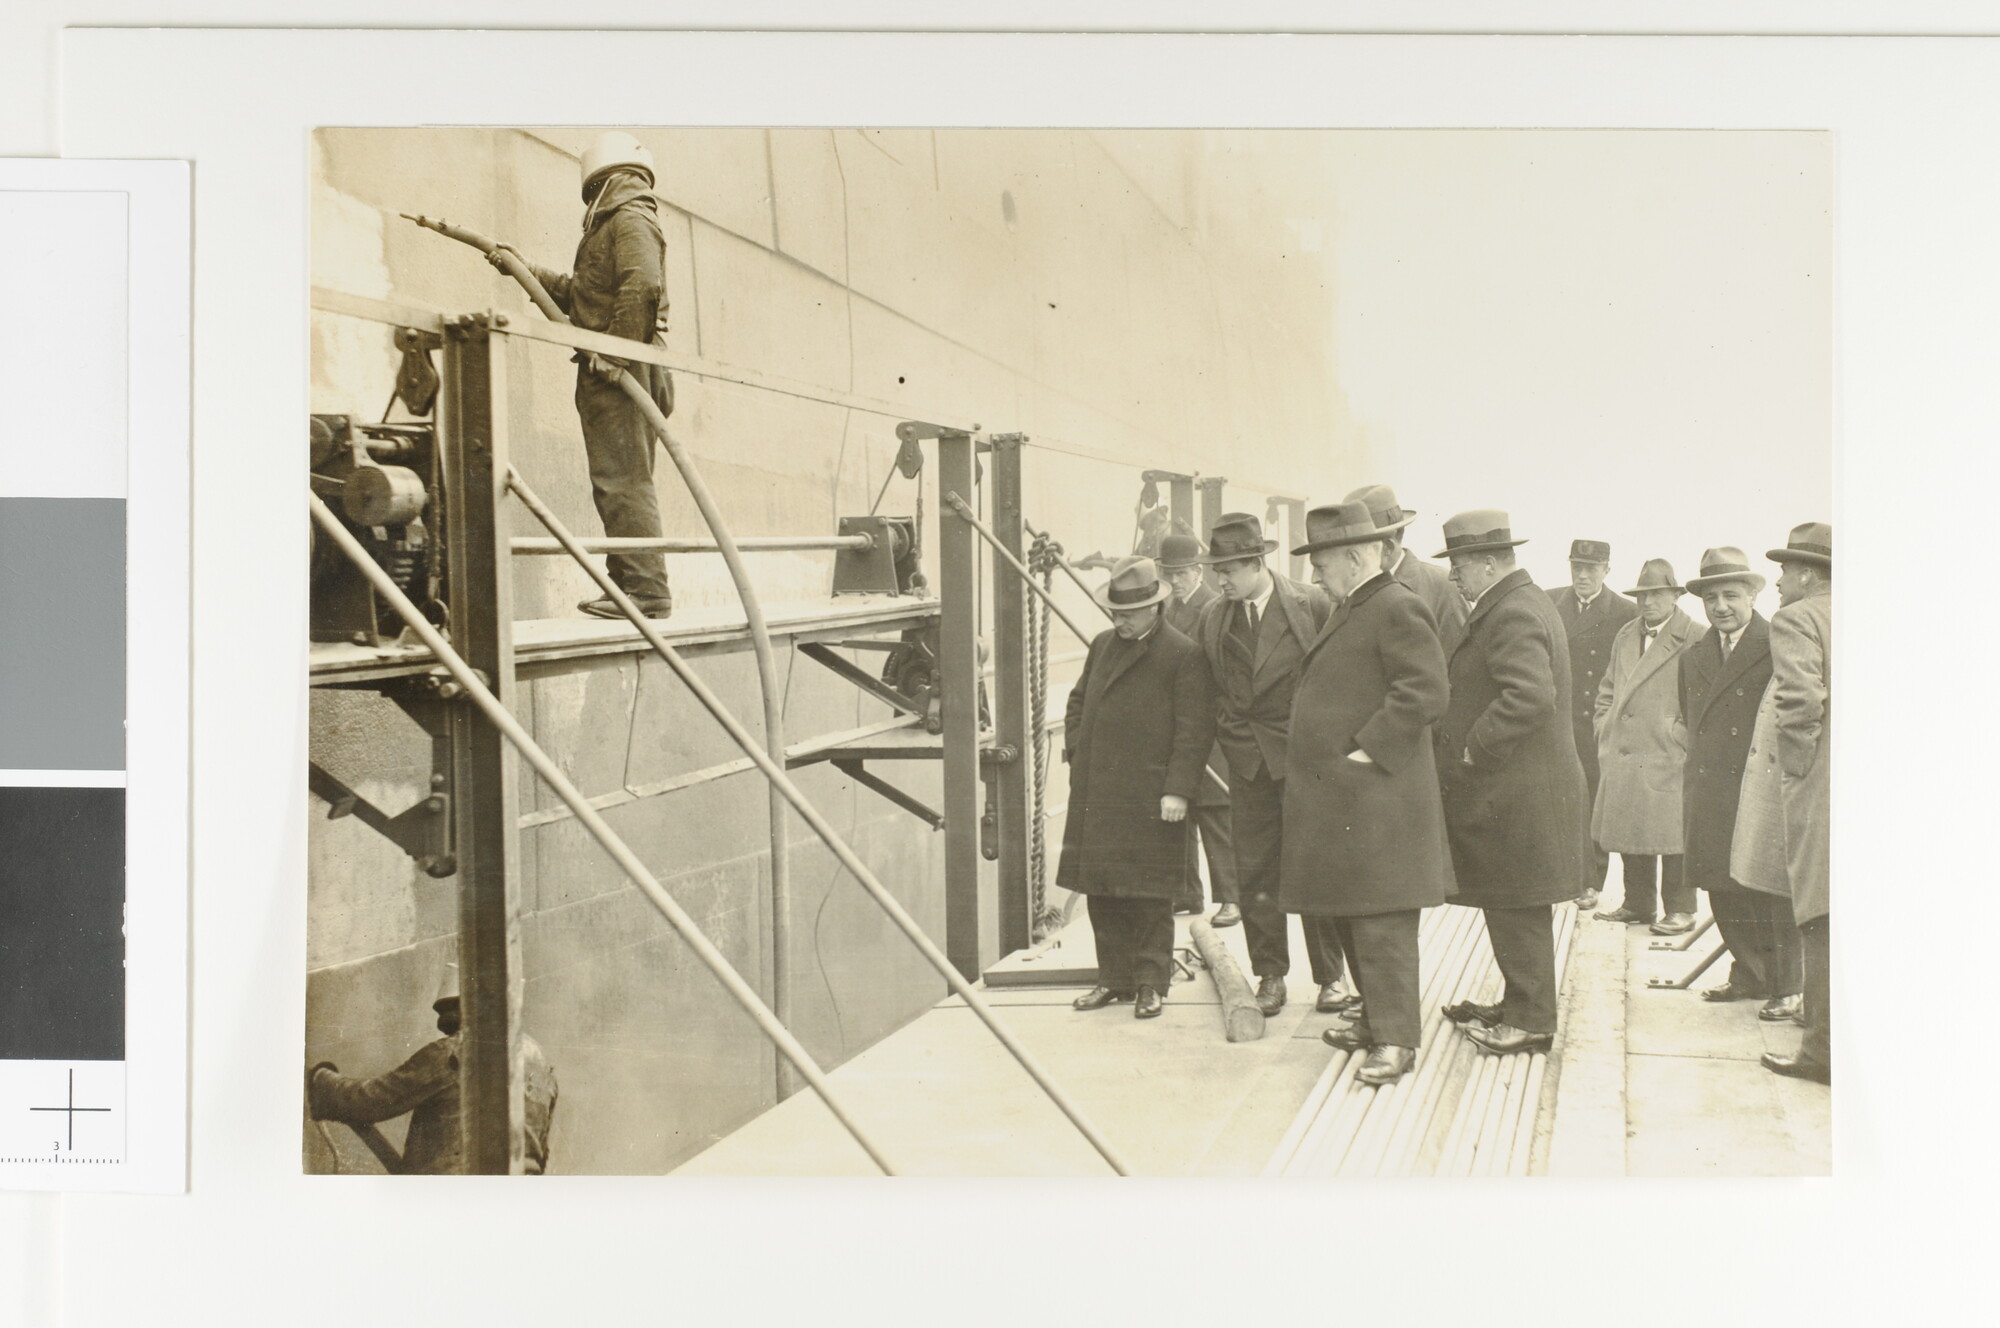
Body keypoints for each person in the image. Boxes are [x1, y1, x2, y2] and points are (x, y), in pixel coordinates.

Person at [1280, 501, 1454, 1085]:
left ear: (1355, 558)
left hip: (1379, 802)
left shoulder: (1396, 605)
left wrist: (1366, 751)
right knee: (1356, 916)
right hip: (1354, 803)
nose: (1315, 575)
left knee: (1383, 925)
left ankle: (1398, 1040)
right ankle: (1376, 1020)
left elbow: (1425, 691)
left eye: (1322, 563)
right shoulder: (1358, 604)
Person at [493, 130, 677, 620]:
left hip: (624, 364)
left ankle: (647, 591)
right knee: (616, 480)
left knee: (624, 480)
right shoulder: (616, 225)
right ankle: (629, 586)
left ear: (598, 183)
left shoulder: (630, 221)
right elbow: (585, 296)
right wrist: (522, 269)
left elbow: (644, 286)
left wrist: (615, 355)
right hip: (620, 360)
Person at [1432, 511, 1588, 1056]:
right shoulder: (1517, 603)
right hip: (1520, 792)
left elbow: (1529, 696)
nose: (1453, 575)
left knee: (1518, 903)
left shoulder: (1513, 611)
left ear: (1491, 562)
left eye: (1459, 564)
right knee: (1513, 903)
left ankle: (1532, 1021)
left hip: (1519, 794)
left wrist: (1475, 744)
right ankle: (1520, 1003)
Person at [1193, 512, 1347, 1017]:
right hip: (1247, 763)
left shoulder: (1313, 603)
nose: (1222, 580)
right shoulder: (1215, 616)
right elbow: (1211, 686)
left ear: (1258, 562)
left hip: (1304, 759)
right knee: (1256, 872)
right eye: (1218, 571)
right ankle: (1270, 976)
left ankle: (1330, 978)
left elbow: (1338, 680)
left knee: (1317, 867)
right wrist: (1229, 731)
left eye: (1230, 570)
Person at [1060, 557, 1217, 1019]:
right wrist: (1078, 752)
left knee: (1150, 894)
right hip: (1099, 791)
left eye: (1127, 613)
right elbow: (1077, 702)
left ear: (1153, 608)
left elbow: (1194, 730)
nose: (1119, 621)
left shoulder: (1182, 654)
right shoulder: (1103, 645)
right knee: (1102, 891)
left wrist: (1178, 790)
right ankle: (1113, 979)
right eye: (1114, 613)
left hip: (1151, 795)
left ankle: (1151, 983)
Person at [1677, 547, 1802, 1019]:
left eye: (1731, 595)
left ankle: (1787, 986)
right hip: (1710, 789)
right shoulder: (1694, 656)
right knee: (1720, 886)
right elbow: (1691, 721)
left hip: (1760, 787)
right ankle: (1749, 974)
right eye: (1712, 598)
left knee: (1769, 890)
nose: (1721, 606)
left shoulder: (1778, 644)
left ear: (1753, 594)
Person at [308, 964, 558, 1174]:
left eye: (449, 1008)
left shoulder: (454, 1052)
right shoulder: (540, 1062)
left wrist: (322, 1080)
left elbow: (370, 1100)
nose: (442, 1023)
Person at [1754, 523, 1833, 1084]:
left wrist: (1797, 770)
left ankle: (1822, 1052)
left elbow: (1801, 701)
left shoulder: (1798, 618)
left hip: (1824, 792)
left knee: (1822, 914)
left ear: (1807, 574)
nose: (1779, 583)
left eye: (1785, 571)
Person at [1590, 559, 1702, 932]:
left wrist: (1679, 736)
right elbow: (1607, 688)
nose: (1648, 601)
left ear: (1675, 595)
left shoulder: (1695, 637)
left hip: (1666, 750)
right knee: (1631, 826)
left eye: (1657, 593)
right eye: (1643, 594)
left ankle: (1681, 909)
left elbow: (1703, 698)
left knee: (1672, 833)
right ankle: (1638, 904)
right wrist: (1604, 726)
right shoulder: (1626, 635)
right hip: (1624, 747)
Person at [1552, 540, 1639, 910]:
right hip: (1558, 720)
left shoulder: (1625, 611)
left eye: (1591, 568)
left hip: (1596, 722)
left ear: (1607, 570)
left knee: (1594, 801)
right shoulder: (1550, 601)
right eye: (1577, 567)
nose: (1583, 575)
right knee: (1560, 799)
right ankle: (1559, 876)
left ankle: (1590, 882)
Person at [1159, 532, 1240, 927]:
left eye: (1180, 573)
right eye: (1168, 573)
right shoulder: (1171, 609)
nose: (1174, 581)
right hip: (1181, 727)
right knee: (1182, 812)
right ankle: (1187, 892)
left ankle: (1231, 898)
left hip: (1209, 729)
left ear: (1196, 571)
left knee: (1214, 814)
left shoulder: (1213, 608)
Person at [1343, 483, 1468, 655]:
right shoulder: (1347, 590)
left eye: (1357, 548)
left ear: (1387, 546)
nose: (1351, 559)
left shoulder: (1442, 587)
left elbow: (1459, 664)